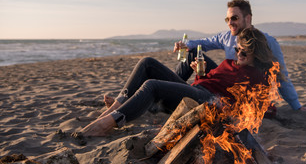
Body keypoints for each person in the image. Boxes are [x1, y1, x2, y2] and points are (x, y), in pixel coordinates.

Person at [80, 28, 278, 136]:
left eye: (245, 51)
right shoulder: (229, 62)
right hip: (198, 90)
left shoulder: (257, 77)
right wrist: (198, 74)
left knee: (152, 85)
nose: (239, 54)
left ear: (256, 53)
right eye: (237, 49)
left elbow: (261, 108)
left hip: (209, 101)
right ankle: (117, 106)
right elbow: (208, 81)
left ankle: (108, 122)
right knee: (147, 63)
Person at [174, 0, 306, 111]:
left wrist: (296, 106)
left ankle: (171, 93)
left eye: (234, 18)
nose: (230, 23)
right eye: (227, 19)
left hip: (243, 91)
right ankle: (170, 92)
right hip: (224, 82)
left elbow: (281, 75)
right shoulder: (227, 37)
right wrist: (186, 44)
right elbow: (205, 42)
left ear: (248, 18)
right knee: (192, 53)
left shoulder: (267, 42)